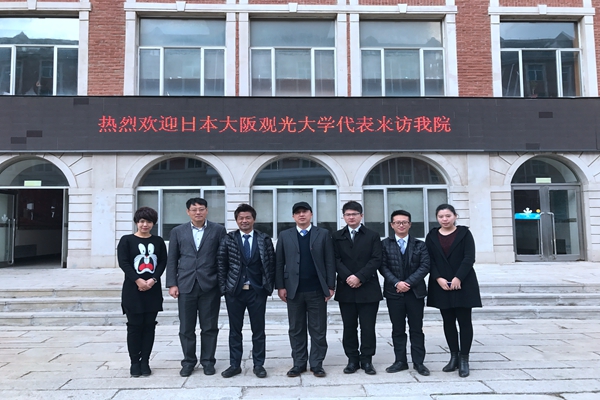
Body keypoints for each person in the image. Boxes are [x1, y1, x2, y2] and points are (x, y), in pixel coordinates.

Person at [166, 197, 227, 377]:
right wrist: (172, 283)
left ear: (206, 210)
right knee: (186, 327)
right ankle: (188, 362)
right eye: (194, 209)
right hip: (186, 285)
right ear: (188, 212)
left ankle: (208, 361)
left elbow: (223, 258)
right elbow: (172, 259)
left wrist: (221, 284)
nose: (198, 212)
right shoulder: (178, 231)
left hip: (210, 285)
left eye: (201, 209)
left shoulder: (218, 230)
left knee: (209, 327)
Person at [275, 201, 336, 378]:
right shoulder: (285, 235)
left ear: (311, 214)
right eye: (298, 212)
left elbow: (329, 261)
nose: (301, 215)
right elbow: (279, 262)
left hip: (316, 290)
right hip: (293, 290)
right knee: (296, 329)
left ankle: (317, 364)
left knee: (318, 329)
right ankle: (299, 363)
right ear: (293, 216)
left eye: (305, 212)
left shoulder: (323, 234)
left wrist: (330, 286)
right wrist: (280, 286)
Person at [217, 204, 275, 379]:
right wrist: (224, 288)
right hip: (235, 291)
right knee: (235, 330)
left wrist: (268, 287)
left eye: (248, 217)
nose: (244, 221)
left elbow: (271, 264)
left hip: (257, 291)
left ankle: (259, 364)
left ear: (253, 219)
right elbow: (221, 264)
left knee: (259, 330)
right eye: (241, 218)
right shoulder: (228, 239)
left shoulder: (264, 239)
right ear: (236, 220)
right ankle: (235, 365)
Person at [426, 204, 481, 378]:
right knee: (448, 321)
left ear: (455, 216)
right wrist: (438, 278)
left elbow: (469, 257)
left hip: (463, 283)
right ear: (437, 218)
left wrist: (458, 277)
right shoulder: (432, 235)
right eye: (441, 216)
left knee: (464, 321)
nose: (445, 219)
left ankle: (464, 359)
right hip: (441, 284)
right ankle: (454, 356)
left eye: (448, 216)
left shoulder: (464, 233)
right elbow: (429, 260)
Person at [332, 201, 382, 375]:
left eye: (354, 214)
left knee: (368, 327)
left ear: (361, 216)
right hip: (346, 288)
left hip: (368, 288)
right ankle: (352, 359)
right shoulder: (337, 236)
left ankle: (367, 360)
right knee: (349, 327)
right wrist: (348, 277)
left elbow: (376, 259)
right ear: (344, 217)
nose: (351, 217)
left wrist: (360, 276)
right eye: (348, 214)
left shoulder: (372, 235)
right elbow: (335, 260)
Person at [117, 206, 167, 377]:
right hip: (133, 290)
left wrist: (153, 280)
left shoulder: (158, 241)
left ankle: (145, 361)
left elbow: (162, 262)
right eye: (142, 221)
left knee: (149, 327)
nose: (145, 225)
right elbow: (124, 262)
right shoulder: (126, 240)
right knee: (134, 326)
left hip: (152, 290)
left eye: (149, 222)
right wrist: (138, 280)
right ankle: (134, 362)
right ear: (137, 222)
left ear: (153, 223)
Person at [380, 210, 431, 376]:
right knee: (398, 329)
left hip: (415, 292)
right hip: (394, 292)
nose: (401, 225)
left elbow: (425, 266)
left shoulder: (420, 245)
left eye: (404, 222)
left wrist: (408, 283)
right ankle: (400, 361)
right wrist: (397, 283)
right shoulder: (384, 244)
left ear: (410, 224)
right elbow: (382, 266)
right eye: (397, 222)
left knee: (416, 328)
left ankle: (419, 362)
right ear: (392, 225)